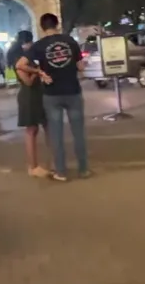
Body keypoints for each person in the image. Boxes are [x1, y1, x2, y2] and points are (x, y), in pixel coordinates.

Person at [22, 13, 89, 180]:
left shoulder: (39, 46)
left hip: (52, 94)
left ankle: (61, 172)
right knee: (78, 133)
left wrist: (39, 71)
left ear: (42, 27)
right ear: (57, 24)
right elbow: (81, 67)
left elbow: (20, 64)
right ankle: (83, 169)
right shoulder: (70, 41)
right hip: (73, 91)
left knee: (56, 135)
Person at [8, 30, 58, 181]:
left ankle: (54, 162)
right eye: (29, 42)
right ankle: (33, 166)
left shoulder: (28, 59)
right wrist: (38, 71)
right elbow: (28, 82)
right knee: (32, 130)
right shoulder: (19, 62)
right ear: (24, 43)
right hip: (29, 97)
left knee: (48, 127)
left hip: (39, 94)